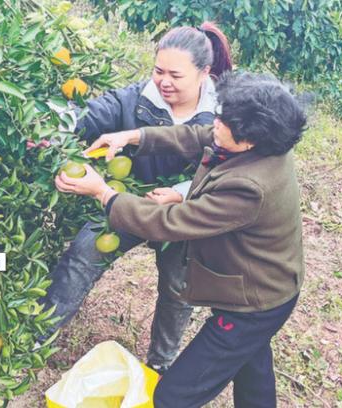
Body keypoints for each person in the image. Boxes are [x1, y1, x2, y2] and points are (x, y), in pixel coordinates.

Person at [55, 71, 307, 407]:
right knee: (253, 373)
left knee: (173, 396)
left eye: (224, 121)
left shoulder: (250, 187)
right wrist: (131, 136)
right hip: (267, 285)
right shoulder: (263, 142)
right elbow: (194, 136)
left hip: (253, 304)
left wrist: (103, 194)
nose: (214, 123)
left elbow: (171, 224)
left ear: (250, 140)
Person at [41, 23, 233, 374]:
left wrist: (179, 193)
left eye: (176, 75)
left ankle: (160, 366)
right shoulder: (135, 100)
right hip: (127, 202)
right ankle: (36, 339)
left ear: (205, 73)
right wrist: (50, 130)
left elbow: (228, 174)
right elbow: (94, 113)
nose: (164, 82)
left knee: (179, 289)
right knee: (83, 255)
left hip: (185, 216)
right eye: (159, 71)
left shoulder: (224, 118)